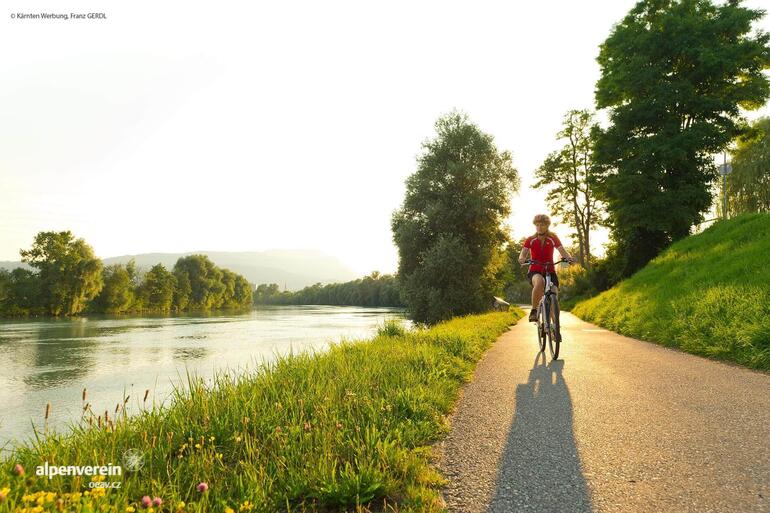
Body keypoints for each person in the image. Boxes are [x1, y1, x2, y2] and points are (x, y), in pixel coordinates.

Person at [518, 214, 575, 323]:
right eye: (537, 225)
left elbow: (562, 250)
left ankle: (555, 327)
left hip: (550, 270)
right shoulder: (530, 239)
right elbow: (523, 253)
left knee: (554, 295)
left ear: (547, 226)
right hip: (535, 270)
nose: (539, 227)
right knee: (540, 282)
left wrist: (568, 258)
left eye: (542, 225)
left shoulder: (553, 238)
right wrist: (522, 259)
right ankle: (534, 311)